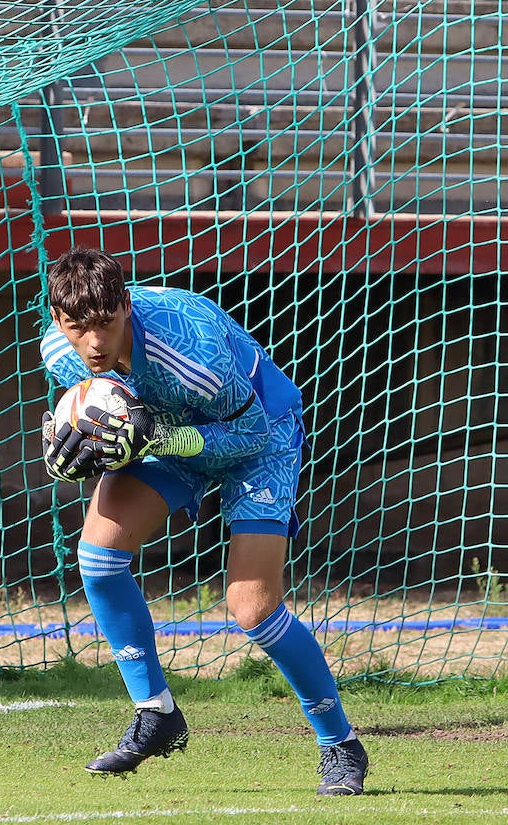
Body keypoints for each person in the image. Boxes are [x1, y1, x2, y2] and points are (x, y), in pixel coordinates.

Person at [38, 247, 369, 795]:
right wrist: (66, 447)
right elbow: (97, 417)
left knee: (253, 608)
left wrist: (165, 440)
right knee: (97, 557)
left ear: (125, 305)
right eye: (78, 327)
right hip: (168, 437)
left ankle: (340, 746)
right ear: (58, 321)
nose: (93, 343)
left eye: (104, 324)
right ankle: (156, 712)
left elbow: (253, 434)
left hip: (258, 438)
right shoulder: (60, 354)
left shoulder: (189, 349)